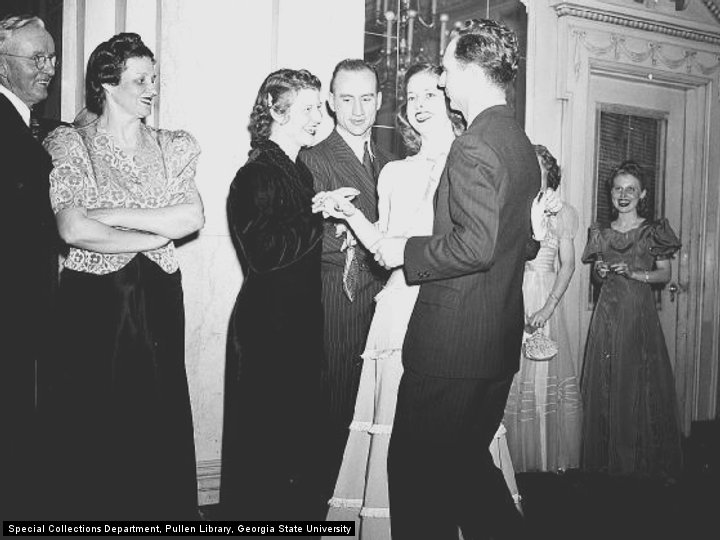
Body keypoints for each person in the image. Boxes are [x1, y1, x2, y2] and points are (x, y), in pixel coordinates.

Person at [314, 62, 521, 539]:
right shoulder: (393, 172)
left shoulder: (473, 157)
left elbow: (483, 244)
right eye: (411, 97)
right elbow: (385, 248)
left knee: (446, 454)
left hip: (452, 319)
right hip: (398, 312)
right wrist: (349, 216)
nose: (419, 104)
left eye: (430, 93)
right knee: (405, 450)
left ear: (450, 99)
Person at [372, 19, 538, 539]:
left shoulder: (474, 146)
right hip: (492, 345)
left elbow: (476, 245)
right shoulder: (519, 142)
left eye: (445, 70)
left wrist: (405, 250)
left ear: (470, 72)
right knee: (465, 472)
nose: (442, 81)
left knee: (417, 479)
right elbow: (519, 243)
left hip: (451, 349)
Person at [44, 32, 203, 519]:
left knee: (159, 413)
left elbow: (191, 218)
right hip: (97, 302)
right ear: (107, 85)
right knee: (98, 418)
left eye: (154, 78)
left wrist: (111, 214)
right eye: (140, 81)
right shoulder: (72, 144)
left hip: (159, 298)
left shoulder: (173, 146)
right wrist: (153, 234)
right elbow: (73, 228)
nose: (152, 89)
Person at [220, 68, 326, 520]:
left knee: (291, 445)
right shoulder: (256, 174)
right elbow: (265, 254)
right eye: (309, 108)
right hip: (267, 332)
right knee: (265, 449)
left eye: (319, 107)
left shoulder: (297, 170)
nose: (319, 117)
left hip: (293, 325)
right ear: (277, 113)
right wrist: (318, 214)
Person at [299, 58, 394, 501]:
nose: (357, 110)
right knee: (337, 406)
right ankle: (327, 511)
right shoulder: (313, 158)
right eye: (347, 99)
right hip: (339, 298)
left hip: (385, 302)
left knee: (375, 409)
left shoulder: (390, 163)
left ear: (379, 101)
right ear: (331, 103)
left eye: (366, 99)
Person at [581, 160, 682, 480]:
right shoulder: (601, 233)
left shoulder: (653, 232)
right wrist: (600, 272)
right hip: (607, 316)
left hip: (638, 315)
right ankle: (609, 459)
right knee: (608, 382)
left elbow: (664, 274)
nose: (623, 195)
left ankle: (637, 459)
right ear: (611, 193)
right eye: (618, 189)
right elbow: (597, 276)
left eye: (631, 190)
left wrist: (635, 272)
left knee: (637, 382)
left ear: (642, 195)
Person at [0, 14, 59, 518]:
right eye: (36, 57)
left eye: (52, 56)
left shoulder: (21, 121)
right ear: (3, 64)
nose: (49, 67)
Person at [503, 144, 582, 472]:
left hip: (545, 297)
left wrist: (548, 307)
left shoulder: (563, 213)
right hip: (513, 296)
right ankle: (512, 459)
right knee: (513, 375)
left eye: (539, 170)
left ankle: (548, 458)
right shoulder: (514, 208)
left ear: (550, 175)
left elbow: (568, 266)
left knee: (543, 375)